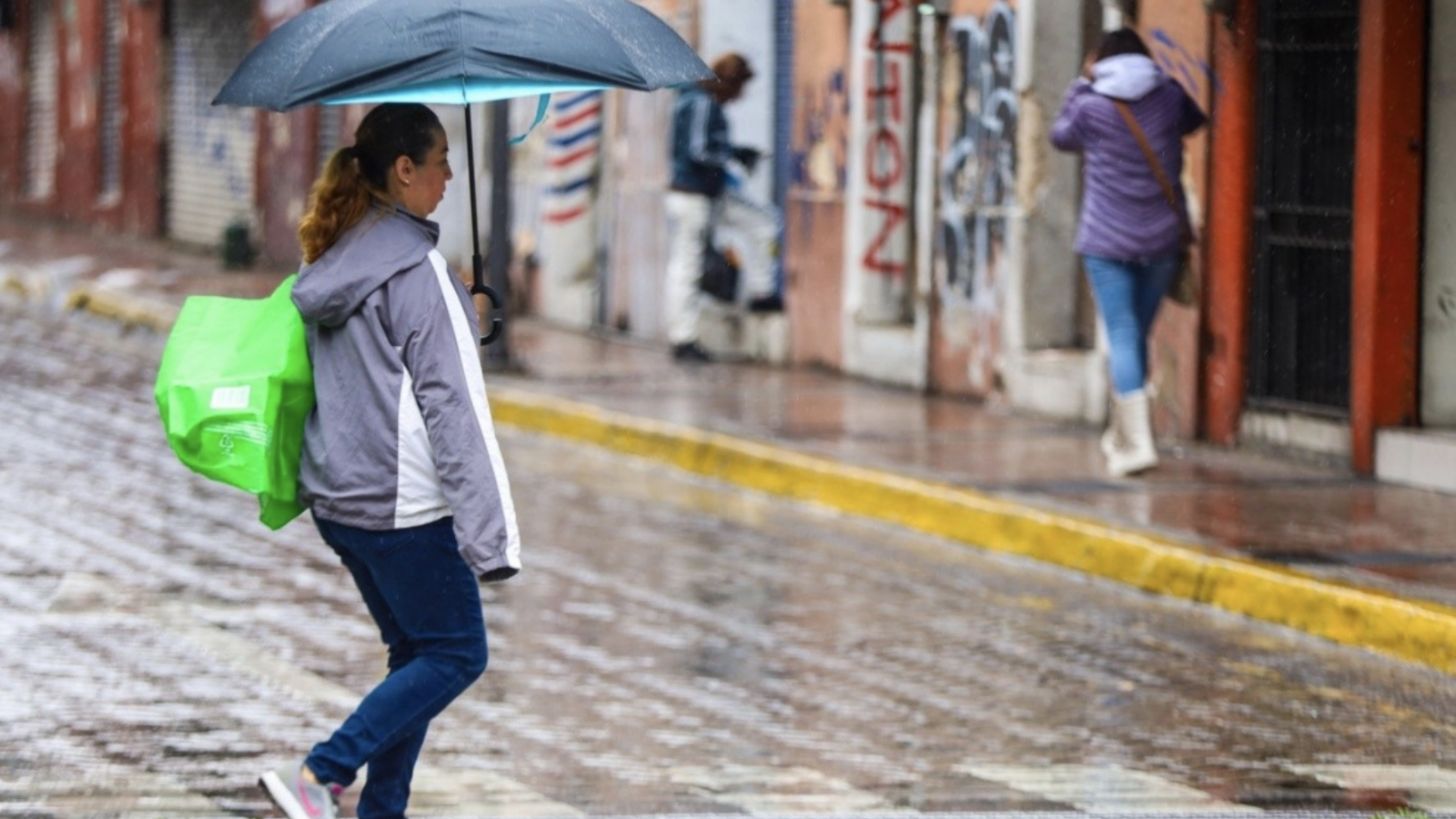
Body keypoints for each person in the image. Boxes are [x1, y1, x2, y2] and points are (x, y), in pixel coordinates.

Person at [259, 103, 522, 819]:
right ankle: (321, 772)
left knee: (417, 655)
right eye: (441, 162)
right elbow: (454, 410)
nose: (450, 177)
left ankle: (384, 810)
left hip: (342, 501)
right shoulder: (418, 271)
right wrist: (491, 539)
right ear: (404, 170)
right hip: (404, 510)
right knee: (457, 653)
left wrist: (457, 306)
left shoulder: (336, 251)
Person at [1050, 29, 1206, 477]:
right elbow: (1195, 121)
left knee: (1122, 333)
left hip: (1106, 240)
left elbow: (1060, 136)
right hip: (1161, 241)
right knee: (1135, 334)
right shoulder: (1169, 96)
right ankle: (1122, 434)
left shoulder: (1090, 104)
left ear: (1099, 61)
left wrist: (1081, 85)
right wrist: (1164, 87)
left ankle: (1136, 444)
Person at [665, 51, 782, 364]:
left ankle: (762, 292)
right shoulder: (702, 102)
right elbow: (698, 151)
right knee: (687, 265)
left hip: (704, 193)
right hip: (694, 195)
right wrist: (733, 155)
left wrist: (734, 153)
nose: (740, 96)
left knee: (763, 222)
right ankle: (683, 338)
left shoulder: (695, 100)